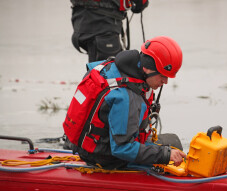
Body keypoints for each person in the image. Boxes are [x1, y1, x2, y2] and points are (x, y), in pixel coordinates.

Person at [63, 36, 186, 169]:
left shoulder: (114, 66)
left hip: (90, 146)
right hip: (106, 158)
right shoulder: (126, 97)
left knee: (169, 145)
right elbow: (122, 148)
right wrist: (166, 155)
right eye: (163, 76)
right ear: (148, 69)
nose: (165, 82)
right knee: (173, 143)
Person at [70, 0, 149, 63]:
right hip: (102, 24)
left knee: (98, 71)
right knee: (109, 73)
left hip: (81, 20)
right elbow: (140, 4)